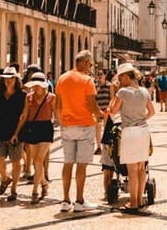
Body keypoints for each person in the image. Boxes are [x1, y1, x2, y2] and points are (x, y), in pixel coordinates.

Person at [55, 50, 102, 212]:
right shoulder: (87, 80)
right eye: (90, 64)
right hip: (84, 125)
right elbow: (91, 104)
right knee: (81, 165)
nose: (90, 67)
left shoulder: (62, 78)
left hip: (67, 126)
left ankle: (65, 200)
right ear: (83, 63)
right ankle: (79, 201)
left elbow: (58, 105)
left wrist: (62, 122)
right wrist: (100, 115)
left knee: (68, 163)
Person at [107, 63, 155, 212]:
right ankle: (140, 200)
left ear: (126, 77)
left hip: (130, 132)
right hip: (143, 130)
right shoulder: (144, 91)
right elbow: (152, 112)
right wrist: (141, 119)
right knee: (141, 168)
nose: (119, 82)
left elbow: (113, 112)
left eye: (120, 78)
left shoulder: (122, 92)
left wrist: (111, 101)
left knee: (132, 169)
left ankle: (133, 203)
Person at [16, 72, 56, 204]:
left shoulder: (51, 97)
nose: (35, 88)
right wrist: (16, 133)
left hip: (45, 128)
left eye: (37, 85)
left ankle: (35, 191)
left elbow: (57, 114)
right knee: (35, 162)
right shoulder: (28, 97)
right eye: (33, 85)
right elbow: (24, 115)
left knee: (39, 160)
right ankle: (44, 183)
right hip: (31, 128)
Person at [0, 66, 26, 201]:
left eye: (11, 78)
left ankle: (14, 189)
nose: (9, 81)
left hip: (16, 133)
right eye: (6, 79)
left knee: (16, 162)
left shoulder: (22, 96)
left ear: (16, 80)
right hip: (0, 132)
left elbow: (24, 116)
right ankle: (5, 178)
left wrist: (18, 133)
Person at [94, 70, 112, 155]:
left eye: (101, 74)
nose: (99, 76)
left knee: (106, 129)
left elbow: (112, 99)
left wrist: (108, 108)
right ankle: (98, 147)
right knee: (98, 129)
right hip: (98, 111)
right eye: (98, 74)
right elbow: (93, 99)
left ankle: (106, 147)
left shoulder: (109, 86)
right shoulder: (95, 86)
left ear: (105, 75)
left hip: (106, 111)